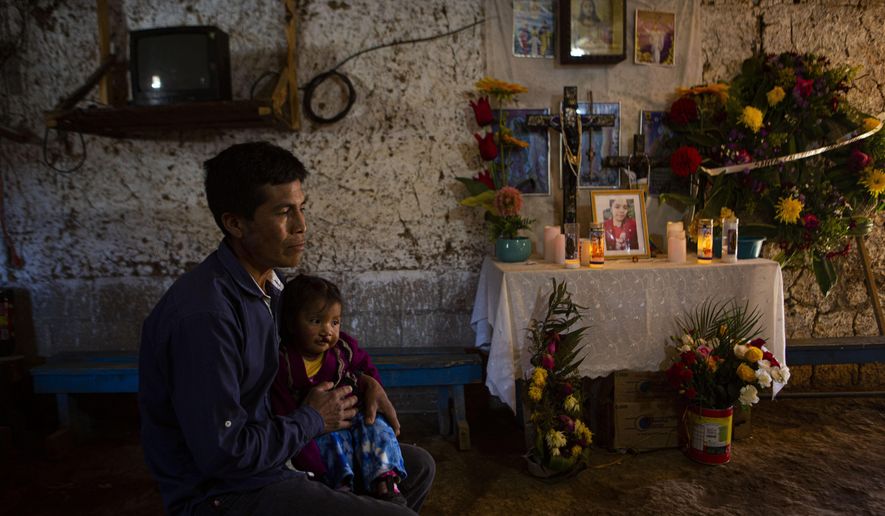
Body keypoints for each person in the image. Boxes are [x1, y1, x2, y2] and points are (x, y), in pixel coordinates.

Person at [138, 141, 434, 516]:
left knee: (417, 467)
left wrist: (362, 380)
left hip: (271, 457)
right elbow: (224, 454)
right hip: (222, 491)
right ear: (235, 223)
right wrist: (312, 419)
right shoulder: (206, 317)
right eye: (283, 212)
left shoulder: (270, 286)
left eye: (301, 208)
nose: (301, 226)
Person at [270, 274, 407, 505]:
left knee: (378, 429)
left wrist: (372, 386)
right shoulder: (283, 364)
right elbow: (285, 414)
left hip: (357, 418)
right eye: (316, 321)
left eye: (334, 322)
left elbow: (368, 369)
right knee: (331, 442)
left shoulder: (343, 349)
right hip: (321, 430)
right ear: (291, 323)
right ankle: (341, 488)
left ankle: (385, 482)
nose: (327, 331)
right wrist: (312, 467)